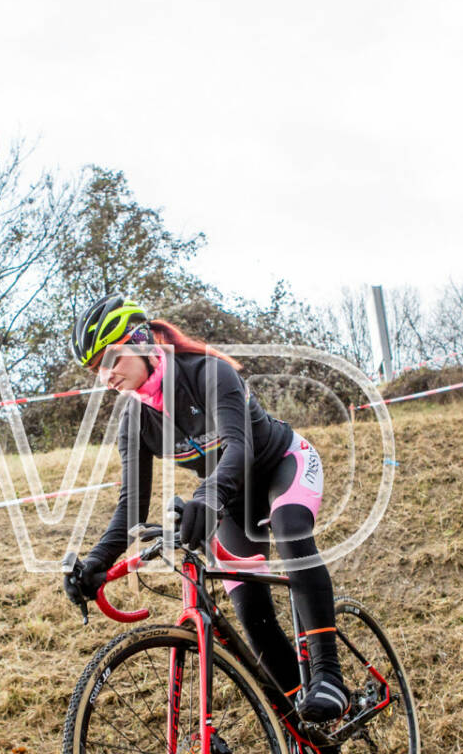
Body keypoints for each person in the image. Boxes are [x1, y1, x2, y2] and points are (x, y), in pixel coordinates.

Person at [62, 296, 348, 722]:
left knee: (290, 530)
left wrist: (207, 497)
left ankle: (329, 676)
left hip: (281, 466)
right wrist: (97, 563)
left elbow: (239, 446)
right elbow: (132, 505)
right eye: (96, 369)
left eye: (110, 359)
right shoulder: (136, 421)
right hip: (231, 499)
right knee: (249, 606)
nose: (106, 377)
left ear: (141, 342)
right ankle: (298, 718)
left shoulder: (208, 373)